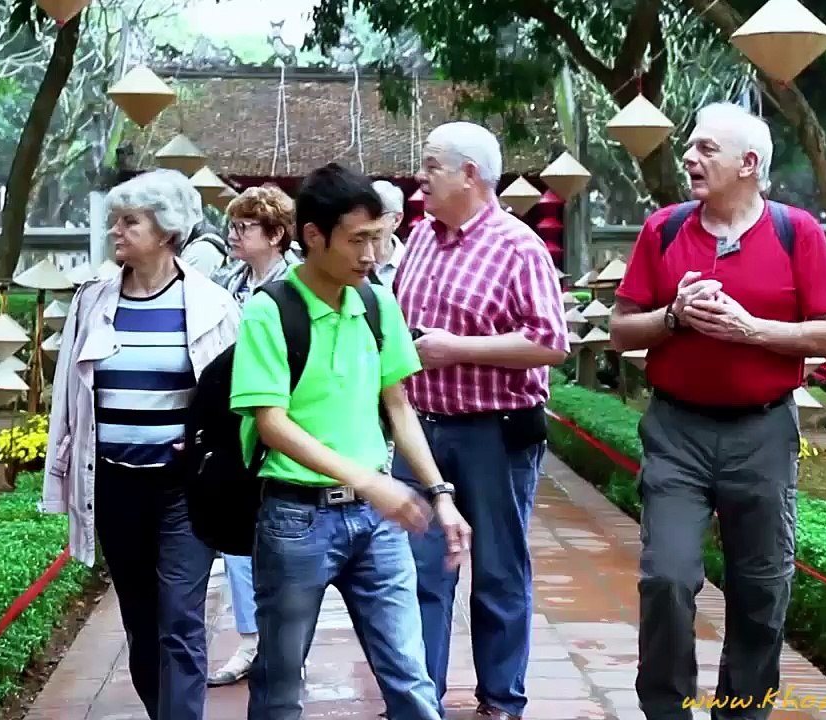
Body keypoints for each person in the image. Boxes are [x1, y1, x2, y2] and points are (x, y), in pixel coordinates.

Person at [609, 102, 826, 719]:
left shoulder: (797, 232)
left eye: (705, 148)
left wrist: (751, 330)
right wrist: (673, 316)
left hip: (763, 431)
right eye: (691, 146)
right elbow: (620, 330)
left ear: (748, 163)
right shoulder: (663, 229)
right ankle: (666, 709)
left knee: (762, 586)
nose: (689, 156)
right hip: (677, 431)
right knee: (667, 576)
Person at [230, 162, 470, 720]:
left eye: (378, 239)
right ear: (314, 236)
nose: (371, 255)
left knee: (411, 679)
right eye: (358, 239)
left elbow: (398, 405)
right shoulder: (271, 310)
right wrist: (368, 479)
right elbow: (272, 424)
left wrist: (440, 494)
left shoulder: (377, 304)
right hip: (295, 519)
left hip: (376, 522)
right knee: (280, 683)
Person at [40, 168, 242, 720]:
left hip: (182, 489)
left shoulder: (213, 304)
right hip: (114, 484)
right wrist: (60, 469)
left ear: (167, 229)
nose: (117, 231)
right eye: (116, 221)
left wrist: (210, 447)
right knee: (141, 618)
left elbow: (236, 397)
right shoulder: (91, 301)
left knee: (180, 615)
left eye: (130, 221)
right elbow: (68, 396)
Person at [391, 121, 570, 720]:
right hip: (421, 429)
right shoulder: (419, 237)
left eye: (432, 166)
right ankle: (419, 698)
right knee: (419, 570)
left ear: (469, 174)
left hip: (497, 432)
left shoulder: (519, 247)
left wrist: (458, 349)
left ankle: (501, 698)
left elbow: (550, 342)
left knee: (497, 570)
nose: (421, 179)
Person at [206, 183, 299, 688]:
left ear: (276, 234)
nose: (234, 235)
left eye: (245, 227)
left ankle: (286, 646)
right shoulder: (226, 283)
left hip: (283, 422)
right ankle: (249, 640)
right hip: (234, 425)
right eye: (234, 226)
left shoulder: (298, 286)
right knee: (238, 538)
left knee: (285, 541)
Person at [370, 179, 406, 285]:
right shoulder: (350, 261)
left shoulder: (412, 264)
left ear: (396, 220)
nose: (366, 222)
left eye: (376, 215)